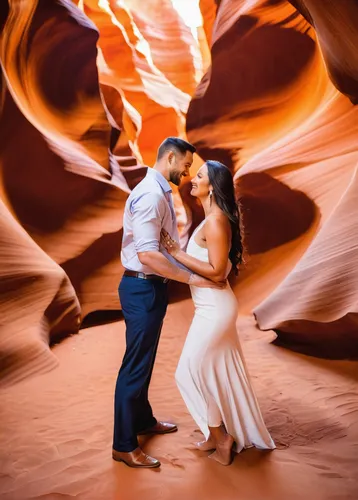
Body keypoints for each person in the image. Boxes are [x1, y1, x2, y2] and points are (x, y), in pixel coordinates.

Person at [113, 138, 224, 469]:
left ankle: (142, 419)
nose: (188, 173)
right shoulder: (150, 195)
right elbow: (147, 253)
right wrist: (190, 278)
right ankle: (123, 444)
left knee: (143, 361)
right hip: (142, 288)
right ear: (170, 157)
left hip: (150, 288)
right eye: (186, 166)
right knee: (135, 366)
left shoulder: (159, 191)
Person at [161, 160, 276, 466]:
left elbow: (217, 273)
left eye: (199, 176)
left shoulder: (215, 221)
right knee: (204, 371)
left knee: (189, 371)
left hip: (215, 308)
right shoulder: (210, 219)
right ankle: (215, 438)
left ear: (212, 186)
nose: (192, 180)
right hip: (207, 308)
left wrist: (176, 253)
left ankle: (222, 437)